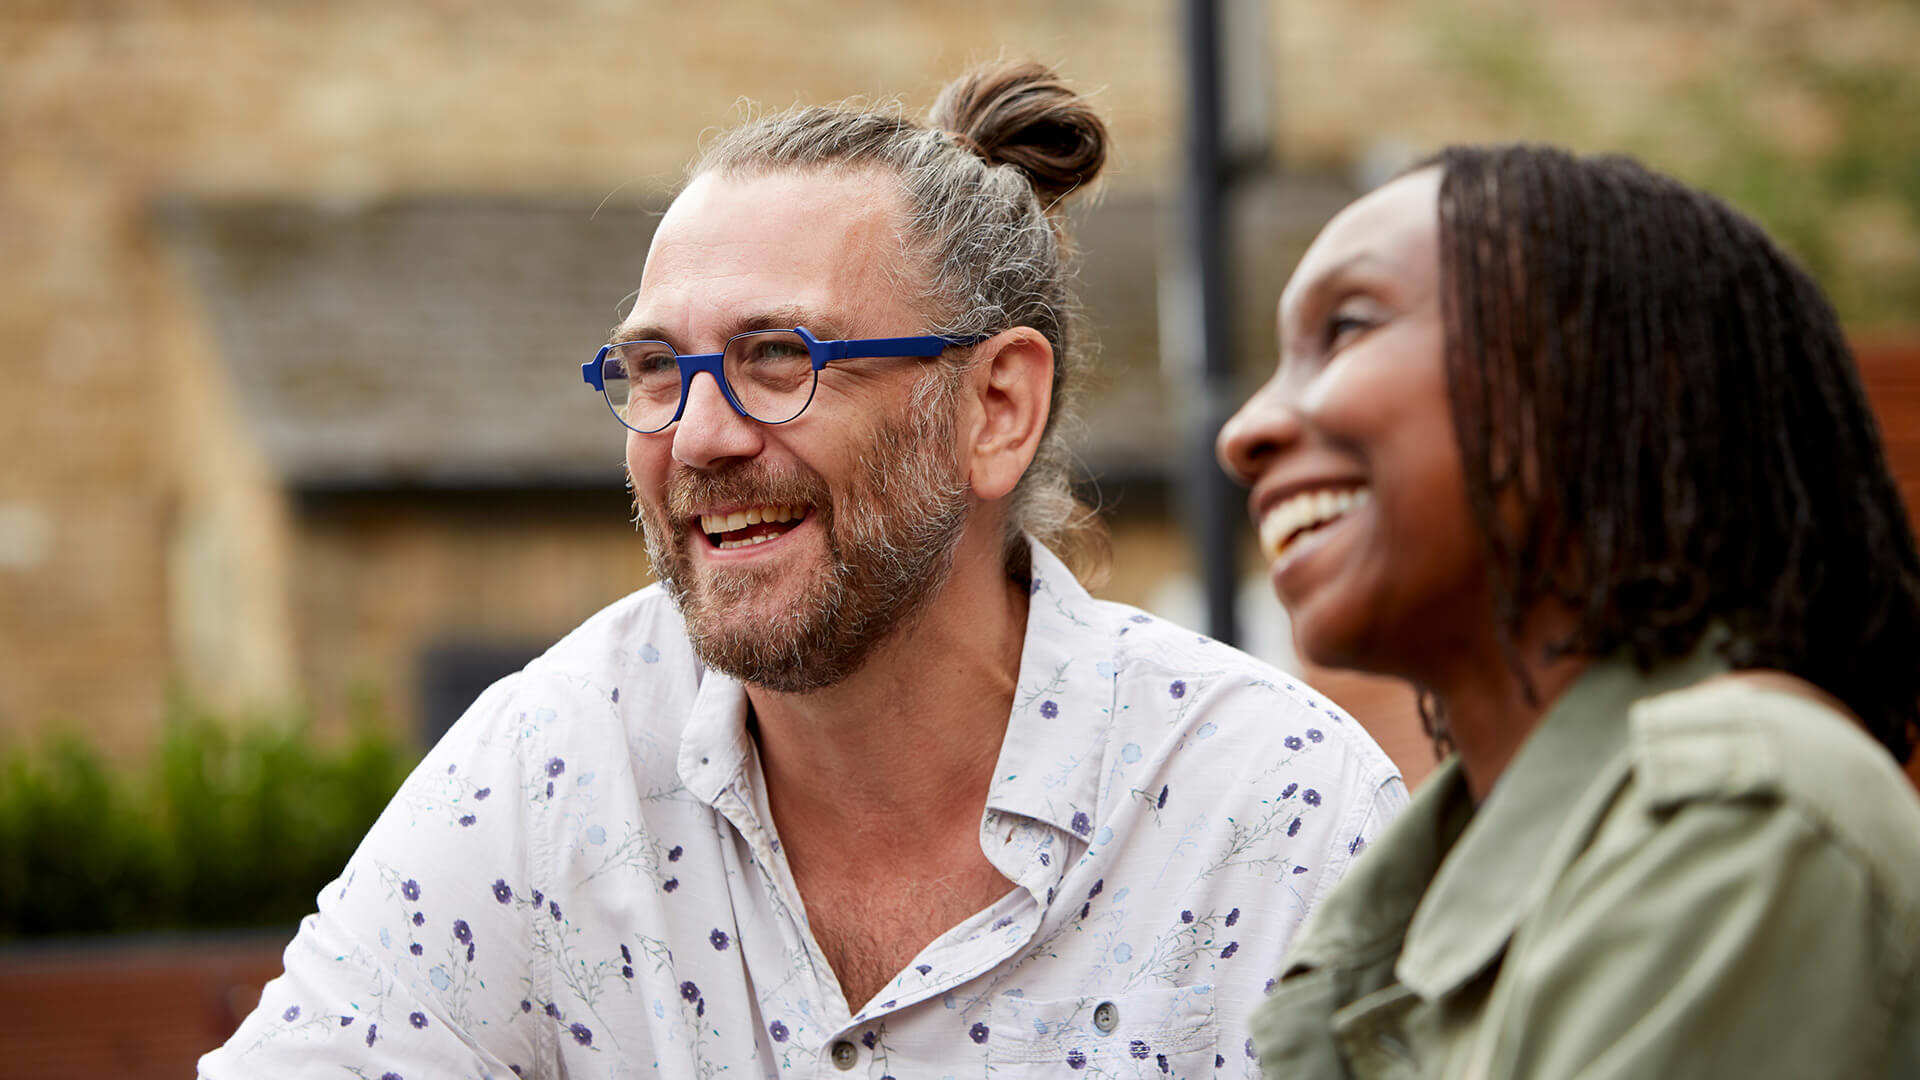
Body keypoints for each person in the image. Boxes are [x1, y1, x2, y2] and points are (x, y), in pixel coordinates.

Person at [200, 62, 1404, 1079]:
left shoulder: (1269, 813)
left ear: (995, 408)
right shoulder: (554, 766)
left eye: (780, 357)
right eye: (656, 369)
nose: (697, 435)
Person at [1217, 142, 1920, 1078]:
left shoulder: (1740, 821)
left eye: (1346, 327)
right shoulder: (1418, 905)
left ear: (1616, 375)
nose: (1244, 432)